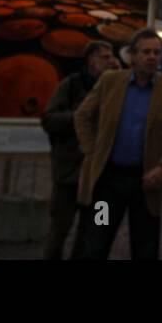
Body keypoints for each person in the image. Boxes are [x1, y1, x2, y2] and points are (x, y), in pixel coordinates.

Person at [75, 29, 162, 259]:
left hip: (146, 185)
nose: (152, 57)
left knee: (145, 248)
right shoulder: (111, 81)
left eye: (156, 52)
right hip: (108, 183)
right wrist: (92, 150)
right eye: (146, 52)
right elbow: (83, 115)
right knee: (96, 242)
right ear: (132, 56)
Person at [40, 40, 113, 259]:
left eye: (111, 57)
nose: (110, 61)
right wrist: (80, 116)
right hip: (69, 172)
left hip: (98, 176)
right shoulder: (71, 85)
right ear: (91, 60)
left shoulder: (112, 88)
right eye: (105, 57)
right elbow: (49, 119)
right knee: (59, 230)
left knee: (92, 230)